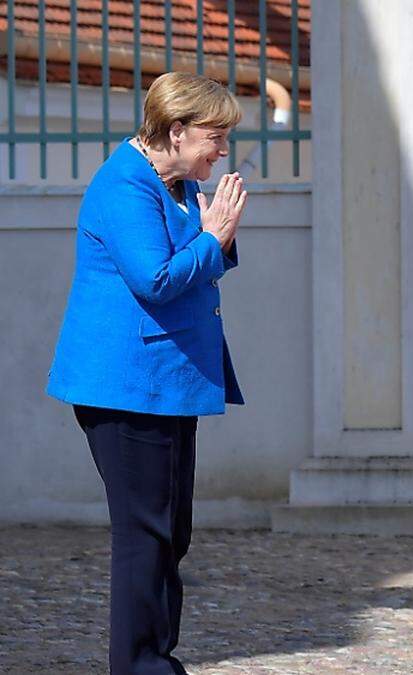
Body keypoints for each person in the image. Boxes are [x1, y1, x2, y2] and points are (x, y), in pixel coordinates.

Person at [47, 71, 248, 674]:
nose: (222, 150)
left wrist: (216, 235)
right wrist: (215, 237)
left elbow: (191, 258)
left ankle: (155, 660)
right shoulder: (125, 186)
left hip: (165, 381)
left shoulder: (176, 184)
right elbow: (156, 280)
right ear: (177, 130)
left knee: (170, 534)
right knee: (145, 537)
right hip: (126, 386)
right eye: (215, 136)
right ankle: (139, 666)